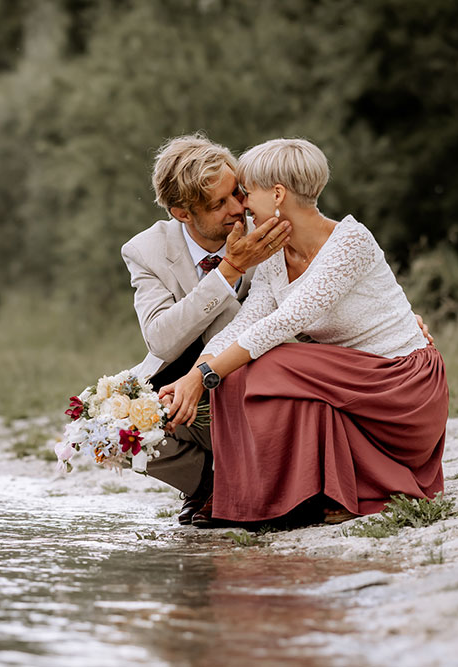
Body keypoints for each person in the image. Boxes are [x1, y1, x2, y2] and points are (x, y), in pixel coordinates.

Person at [160, 138, 448, 528]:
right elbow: (247, 321)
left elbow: (281, 324)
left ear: (277, 194)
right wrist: (195, 374)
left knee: (269, 362)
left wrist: (203, 376)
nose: (242, 205)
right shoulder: (275, 250)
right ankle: (272, 497)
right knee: (239, 371)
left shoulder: (350, 242)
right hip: (350, 379)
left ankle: (341, 489)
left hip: (401, 385)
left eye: (248, 193)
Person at [122, 134, 291, 525]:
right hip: (186, 378)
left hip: (259, 377)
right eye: (219, 204)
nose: (238, 210)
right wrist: (229, 270)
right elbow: (161, 339)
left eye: (237, 193)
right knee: (109, 422)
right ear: (182, 213)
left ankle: (251, 484)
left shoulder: (270, 224)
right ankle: (207, 487)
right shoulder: (146, 250)